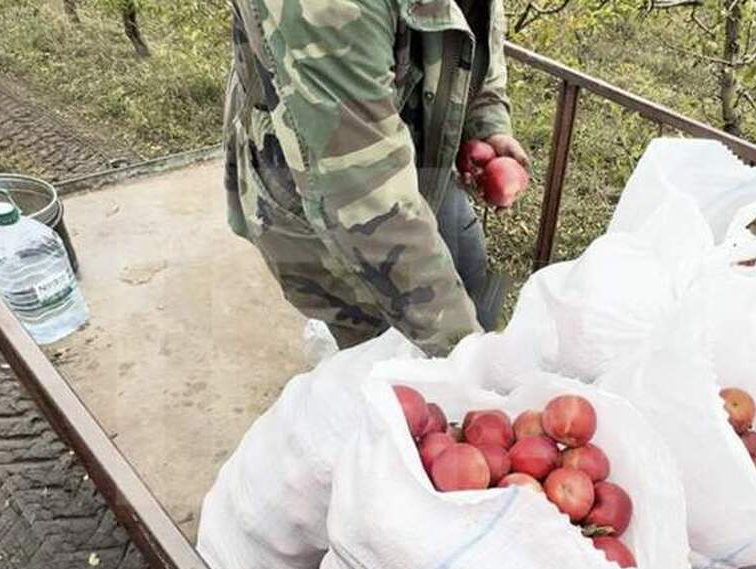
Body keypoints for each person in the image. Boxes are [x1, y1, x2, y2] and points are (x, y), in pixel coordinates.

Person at [224, 0, 528, 356]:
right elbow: (363, 199)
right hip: (326, 201)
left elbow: (475, 30)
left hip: (409, 162)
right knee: (377, 353)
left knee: (468, 271)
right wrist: (467, 359)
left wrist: (485, 122)